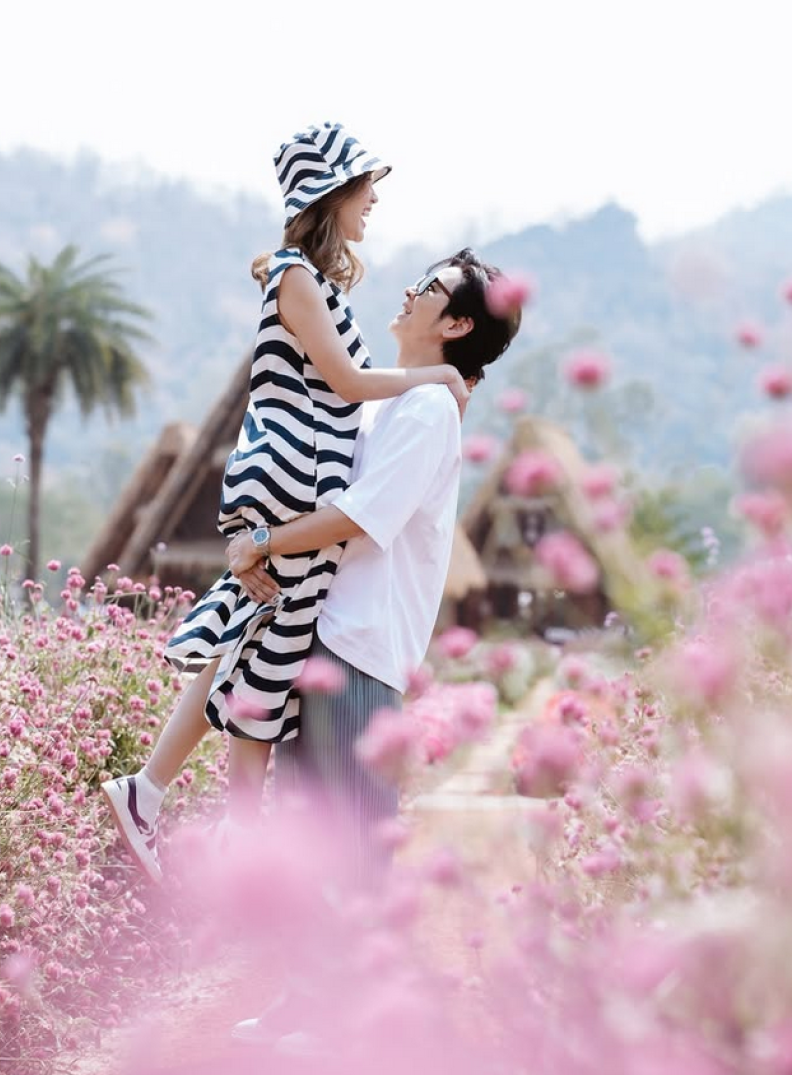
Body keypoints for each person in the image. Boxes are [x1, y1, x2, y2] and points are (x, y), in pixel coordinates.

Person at [102, 122, 470, 882]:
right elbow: (349, 383)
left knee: (260, 634)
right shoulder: (300, 278)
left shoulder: (306, 278)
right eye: (365, 190)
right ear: (332, 195)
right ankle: (197, 812)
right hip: (292, 472)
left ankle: (177, 803)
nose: (373, 203)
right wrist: (436, 375)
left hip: (297, 473)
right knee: (267, 638)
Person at [226, 245, 521, 1047]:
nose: (410, 291)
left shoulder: (426, 412)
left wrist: (263, 542)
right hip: (322, 633)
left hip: (360, 645)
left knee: (354, 835)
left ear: (456, 324)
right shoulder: (388, 400)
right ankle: (306, 1000)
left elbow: (364, 514)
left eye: (430, 288)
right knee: (312, 828)